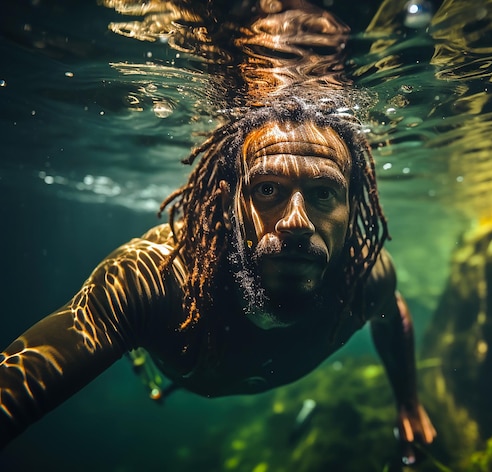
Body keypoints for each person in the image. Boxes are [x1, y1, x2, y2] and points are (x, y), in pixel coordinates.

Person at [1, 0, 436, 466]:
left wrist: (408, 399)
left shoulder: (365, 276)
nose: (296, 221)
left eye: (324, 194)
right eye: (268, 188)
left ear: (354, 208)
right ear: (230, 200)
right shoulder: (152, 279)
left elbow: (393, 310)